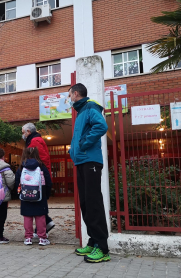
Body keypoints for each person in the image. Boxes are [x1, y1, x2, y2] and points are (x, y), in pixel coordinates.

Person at [68, 83, 110, 263]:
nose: (69, 98)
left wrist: (84, 143)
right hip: (82, 161)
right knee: (85, 203)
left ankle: (103, 248)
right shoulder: (81, 111)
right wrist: (73, 150)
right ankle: (93, 242)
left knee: (93, 203)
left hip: (91, 160)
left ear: (76, 94)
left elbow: (101, 127)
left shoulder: (90, 106)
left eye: (69, 95)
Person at [22, 123, 55, 235]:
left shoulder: (35, 141)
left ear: (28, 132)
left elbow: (38, 159)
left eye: (23, 132)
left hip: (36, 177)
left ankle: (42, 228)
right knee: (37, 200)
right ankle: (47, 222)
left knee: (36, 200)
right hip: (38, 176)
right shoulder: (36, 140)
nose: (23, 135)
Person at [14, 147, 52, 246]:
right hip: (40, 195)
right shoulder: (42, 166)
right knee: (40, 216)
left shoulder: (21, 167)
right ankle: (42, 238)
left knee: (27, 216)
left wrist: (19, 193)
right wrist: (46, 194)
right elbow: (49, 182)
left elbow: (17, 182)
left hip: (25, 194)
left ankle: (28, 238)